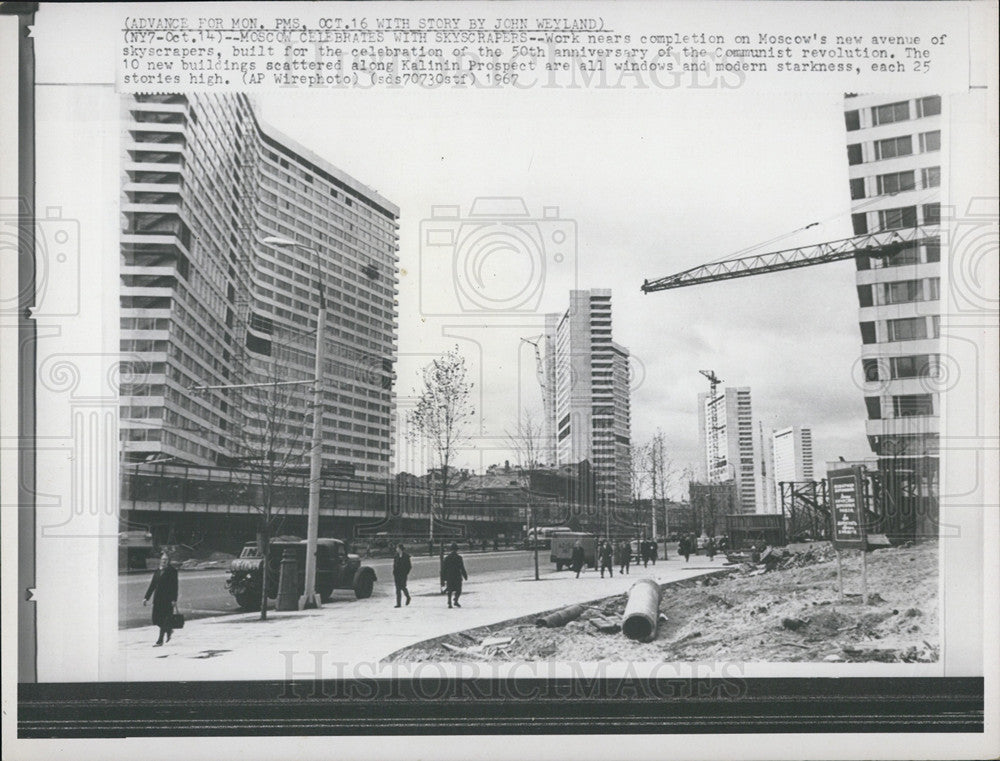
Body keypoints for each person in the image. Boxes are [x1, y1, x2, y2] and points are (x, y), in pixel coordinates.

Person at [143, 553, 179, 647]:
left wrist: (174, 599)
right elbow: (152, 585)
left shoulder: (172, 571)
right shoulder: (157, 571)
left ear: (169, 561)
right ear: (160, 560)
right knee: (155, 619)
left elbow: (175, 587)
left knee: (163, 620)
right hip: (157, 599)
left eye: (166, 559)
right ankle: (168, 629)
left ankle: (160, 641)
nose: (164, 561)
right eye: (163, 559)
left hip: (167, 600)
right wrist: (146, 598)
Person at [441, 542, 468, 608]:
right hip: (457, 576)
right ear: (456, 550)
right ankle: (455, 600)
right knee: (458, 590)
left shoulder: (447, 558)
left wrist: (443, 579)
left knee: (449, 590)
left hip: (449, 576)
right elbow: (462, 567)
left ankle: (449, 602)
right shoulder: (459, 558)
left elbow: (443, 569)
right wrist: (465, 575)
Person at [392, 543, 412, 608]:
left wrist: (406, 573)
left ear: (400, 549)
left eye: (397, 548)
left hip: (403, 574)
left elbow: (409, 566)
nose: (396, 549)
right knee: (397, 589)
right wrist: (394, 572)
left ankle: (408, 597)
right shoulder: (396, 556)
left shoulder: (406, 556)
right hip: (397, 574)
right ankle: (398, 603)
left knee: (403, 587)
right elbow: (394, 565)